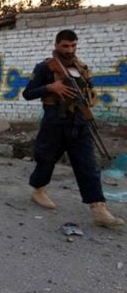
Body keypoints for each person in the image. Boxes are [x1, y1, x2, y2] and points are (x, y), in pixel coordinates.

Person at [22, 29, 123, 228]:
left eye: (73, 45)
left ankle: (99, 208)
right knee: (46, 159)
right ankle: (38, 190)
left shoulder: (81, 67)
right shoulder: (45, 67)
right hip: (54, 123)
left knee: (88, 165)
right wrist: (50, 88)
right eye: (65, 46)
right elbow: (28, 93)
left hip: (79, 122)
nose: (70, 50)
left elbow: (90, 92)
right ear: (57, 45)